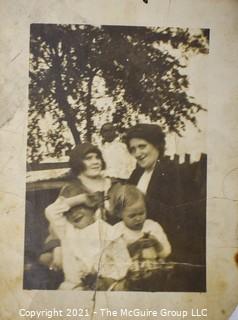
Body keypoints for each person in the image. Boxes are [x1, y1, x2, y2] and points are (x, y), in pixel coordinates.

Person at [40, 143, 118, 279]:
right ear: (78, 163)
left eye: (97, 157)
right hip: (84, 246)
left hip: (112, 242)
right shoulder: (71, 188)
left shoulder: (112, 184)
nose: (95, 162)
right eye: (88, 158)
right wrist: (80, 199)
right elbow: (54, 217)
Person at [98, 184, 171, 291]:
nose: (138, 218)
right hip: (129, 277)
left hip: (155, 275)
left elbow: (166, 252)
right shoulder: (116, 231)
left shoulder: (153, 226)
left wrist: (156, 243)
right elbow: (114, 260)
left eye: (141, 213)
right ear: (119, 214)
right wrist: (133, 247)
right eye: (132, 216)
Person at [45, 182, 114, 290]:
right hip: (72, 287)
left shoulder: (105, 230)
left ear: (92, 207)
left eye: (80, 207)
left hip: (101, 286)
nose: (74, 213)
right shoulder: (66, 229)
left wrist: (105, 281)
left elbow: (118, 262)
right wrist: (81, 199)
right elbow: (50, 211)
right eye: (68, 211)